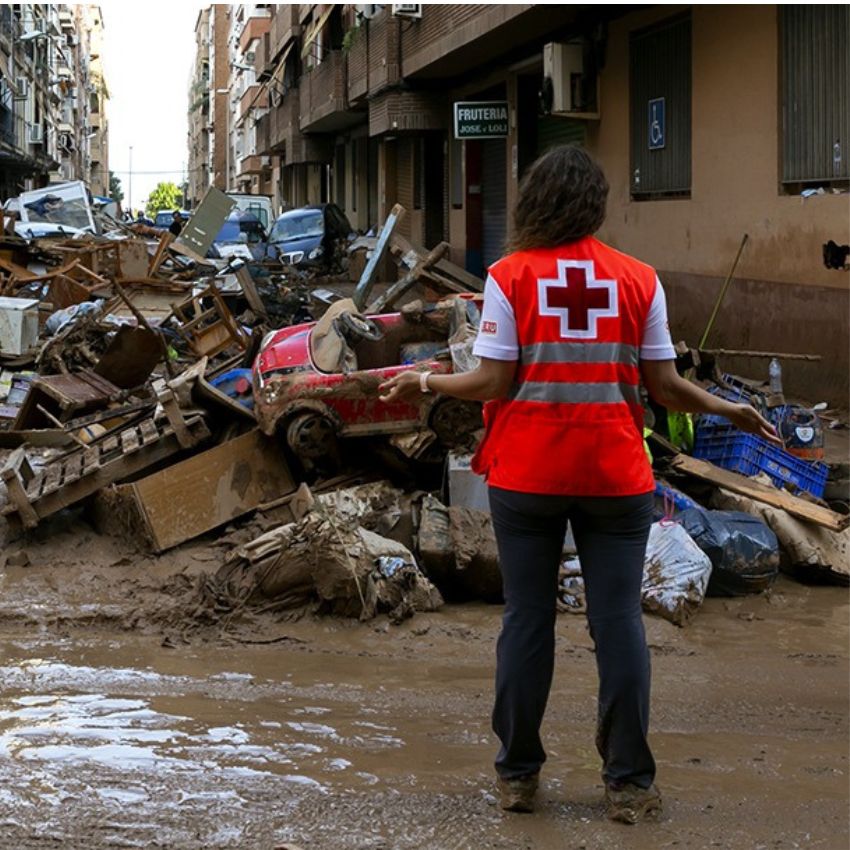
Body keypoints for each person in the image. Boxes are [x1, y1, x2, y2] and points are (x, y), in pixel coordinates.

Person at [378, 145, 778, 825]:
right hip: (615, 476)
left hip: (528, 475)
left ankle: (519, 778)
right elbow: (666, 389)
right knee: (618, 623)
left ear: (535, 200)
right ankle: (628, 785)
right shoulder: (639, 279)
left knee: (527, 620)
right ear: (594, 206)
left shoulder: (509, 277)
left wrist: (422, 380)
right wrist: (724, 405)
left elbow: (491, 383)